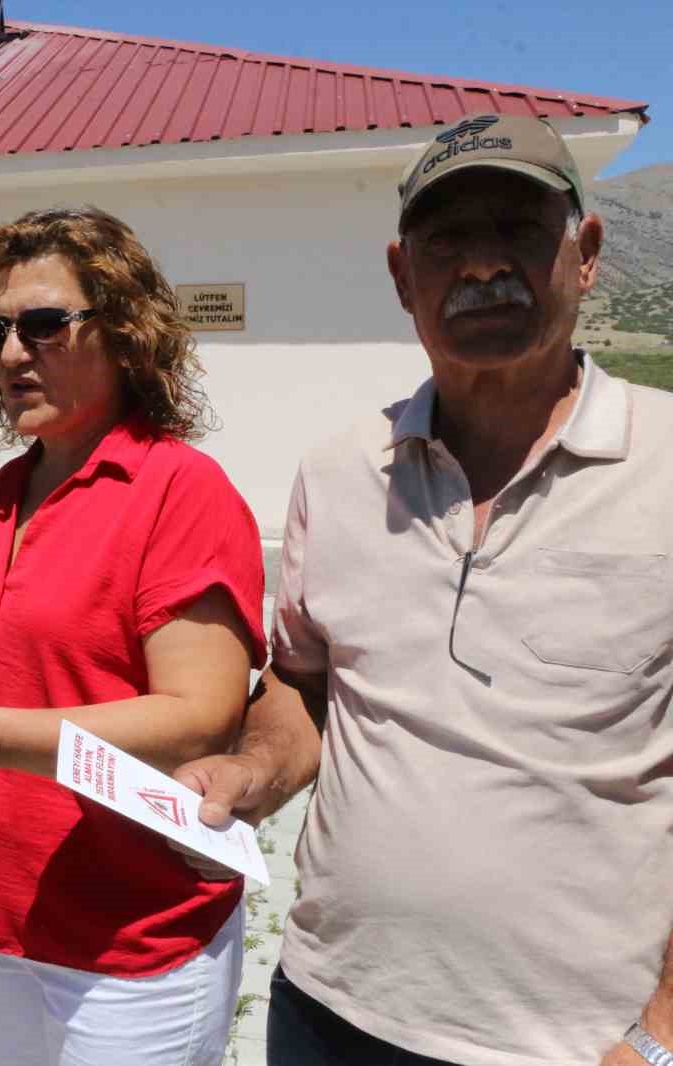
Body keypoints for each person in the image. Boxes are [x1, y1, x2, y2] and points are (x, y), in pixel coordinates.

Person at [173, 113, 673, 1065]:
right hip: (329, 1009)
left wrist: (661, 1035)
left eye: (518, 232)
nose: (482, 268)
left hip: (576, 1043)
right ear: (404, 277)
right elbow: (306, 685)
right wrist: (251, 773)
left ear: (588, 254)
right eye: (447, 243)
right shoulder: (339, 471)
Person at [0, 207, 265, 1066]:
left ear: (122, 332)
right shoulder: (4, 492)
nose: (9, 355)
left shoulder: (178, 489)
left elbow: (201, 715)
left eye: (43, 326)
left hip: (132, 946)